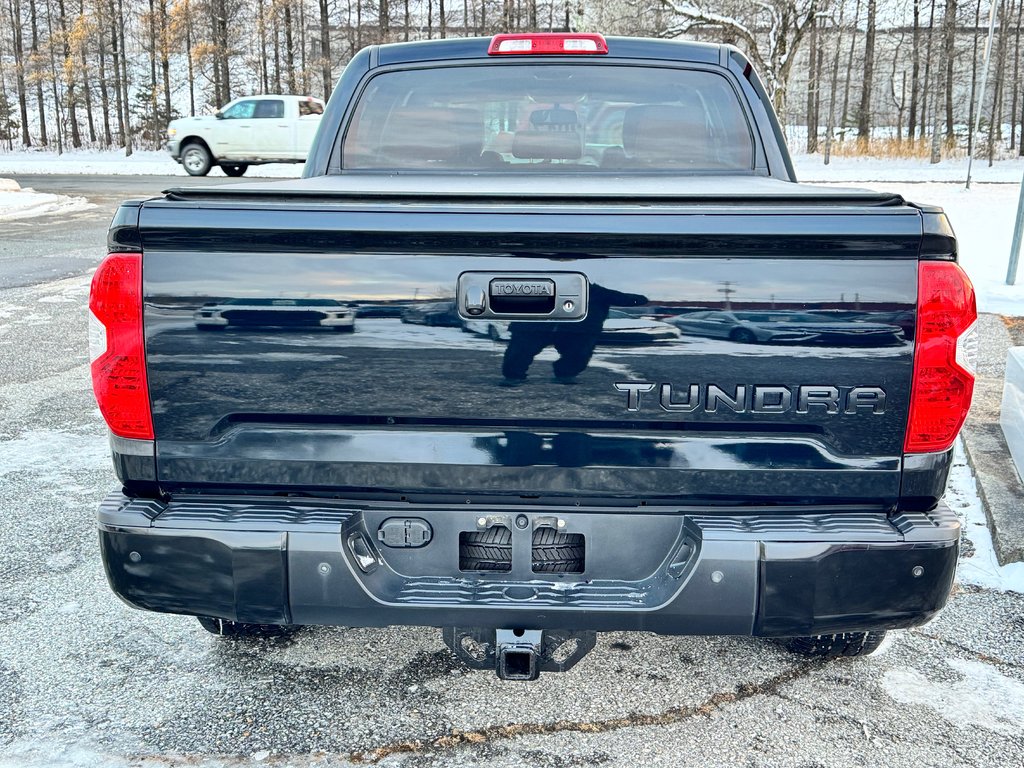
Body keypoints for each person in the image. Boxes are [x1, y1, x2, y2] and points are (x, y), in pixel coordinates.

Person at [500, 283, 648, 385]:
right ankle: (513, 376)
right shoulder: (539, 287)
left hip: (578, 331)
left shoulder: (598, 292)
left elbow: (635, 300)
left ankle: (565, 375)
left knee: (578, 354)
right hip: (533, 327)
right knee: (519, 352)